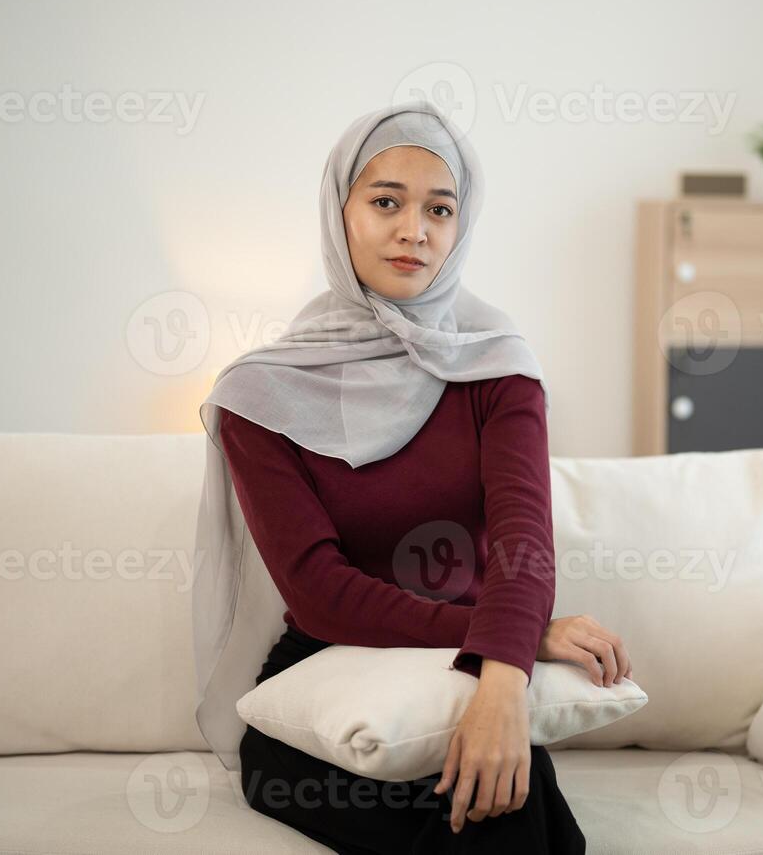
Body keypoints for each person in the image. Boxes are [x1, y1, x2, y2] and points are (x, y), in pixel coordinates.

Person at [190, 100, 633, 853]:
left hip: (466, 677)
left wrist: (501, 681)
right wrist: (518, 641)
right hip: (320, 684)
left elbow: (525, 546)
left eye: (440, 209)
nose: (414, 230)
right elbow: (320, 594)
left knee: (511, 811)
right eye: (386, 201)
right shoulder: (261, 396)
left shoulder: (498, 365)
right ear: (341, 212)